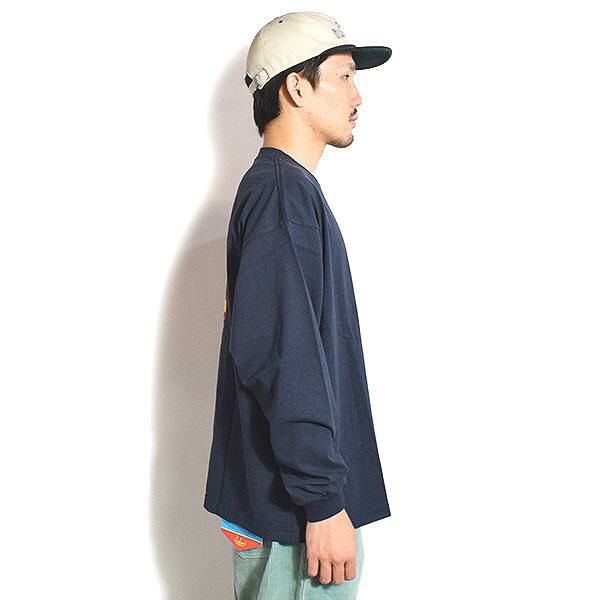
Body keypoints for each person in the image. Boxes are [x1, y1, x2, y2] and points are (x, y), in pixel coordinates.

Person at [203, 11, 393, 598]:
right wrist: (324, 502)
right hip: (297, 518)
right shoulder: (281, 196)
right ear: (296, 88)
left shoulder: (282, 191)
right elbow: (282, 359)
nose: (358, 96)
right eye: (344, 76)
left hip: (291, 507)